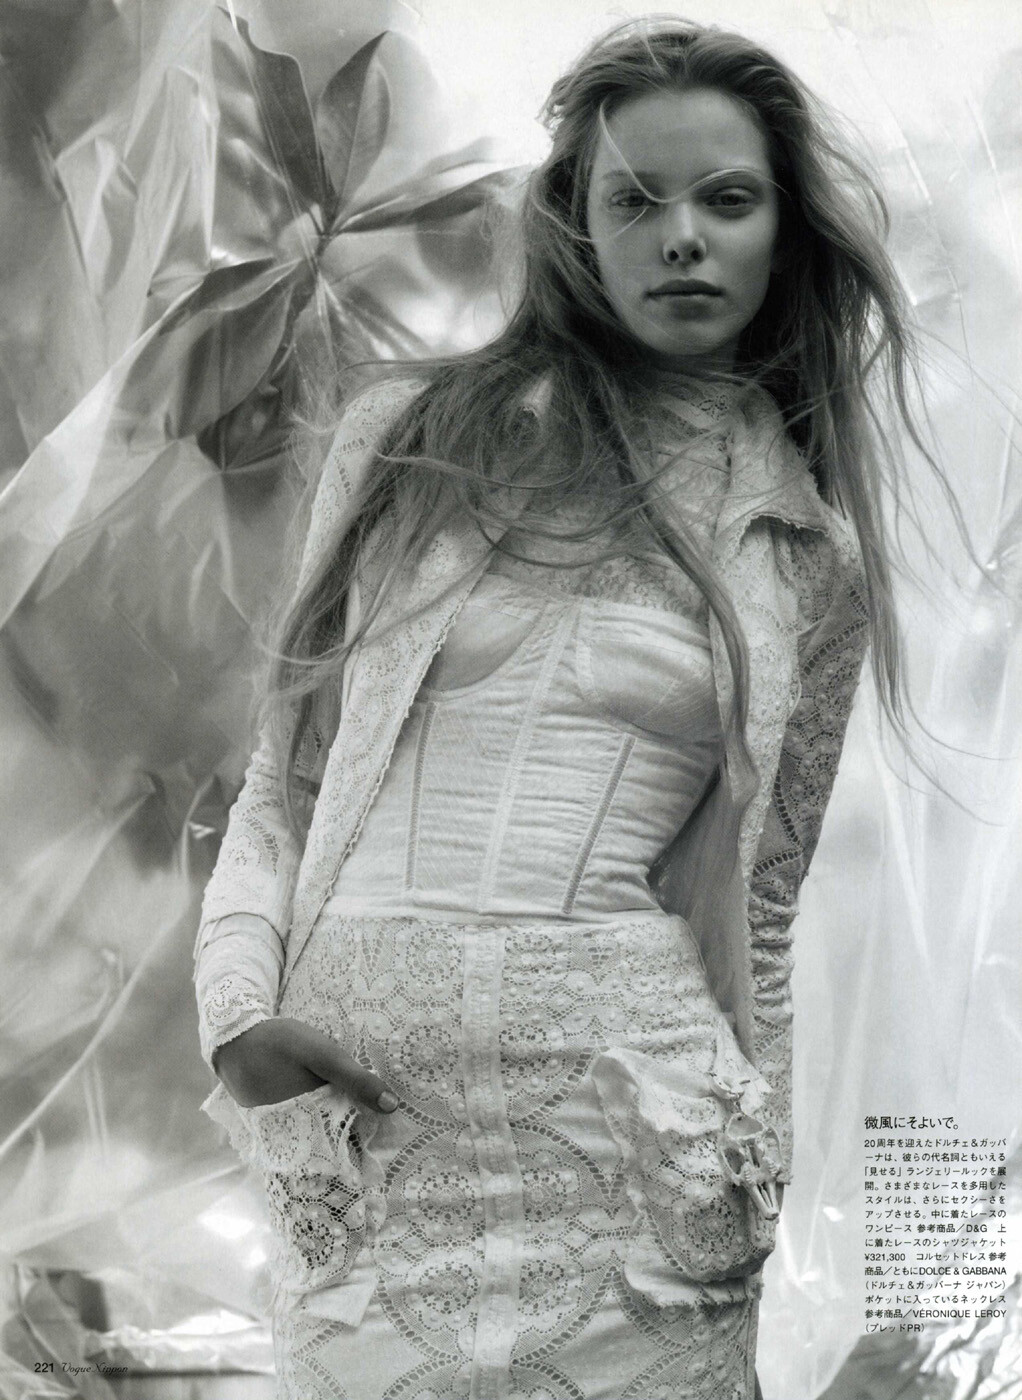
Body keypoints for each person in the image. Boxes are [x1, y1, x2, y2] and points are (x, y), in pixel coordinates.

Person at [193, 17, 923, 1400]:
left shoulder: (804, 554)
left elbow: (761, 917)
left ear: (782, 234)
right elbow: (279, 788)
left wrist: (749, 1164)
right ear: (577, 224)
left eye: (727, 199)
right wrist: (237, 1026)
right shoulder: (405, 442)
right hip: (367, 1127)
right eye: (634, 201)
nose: (682, 239)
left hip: (636, 1129)